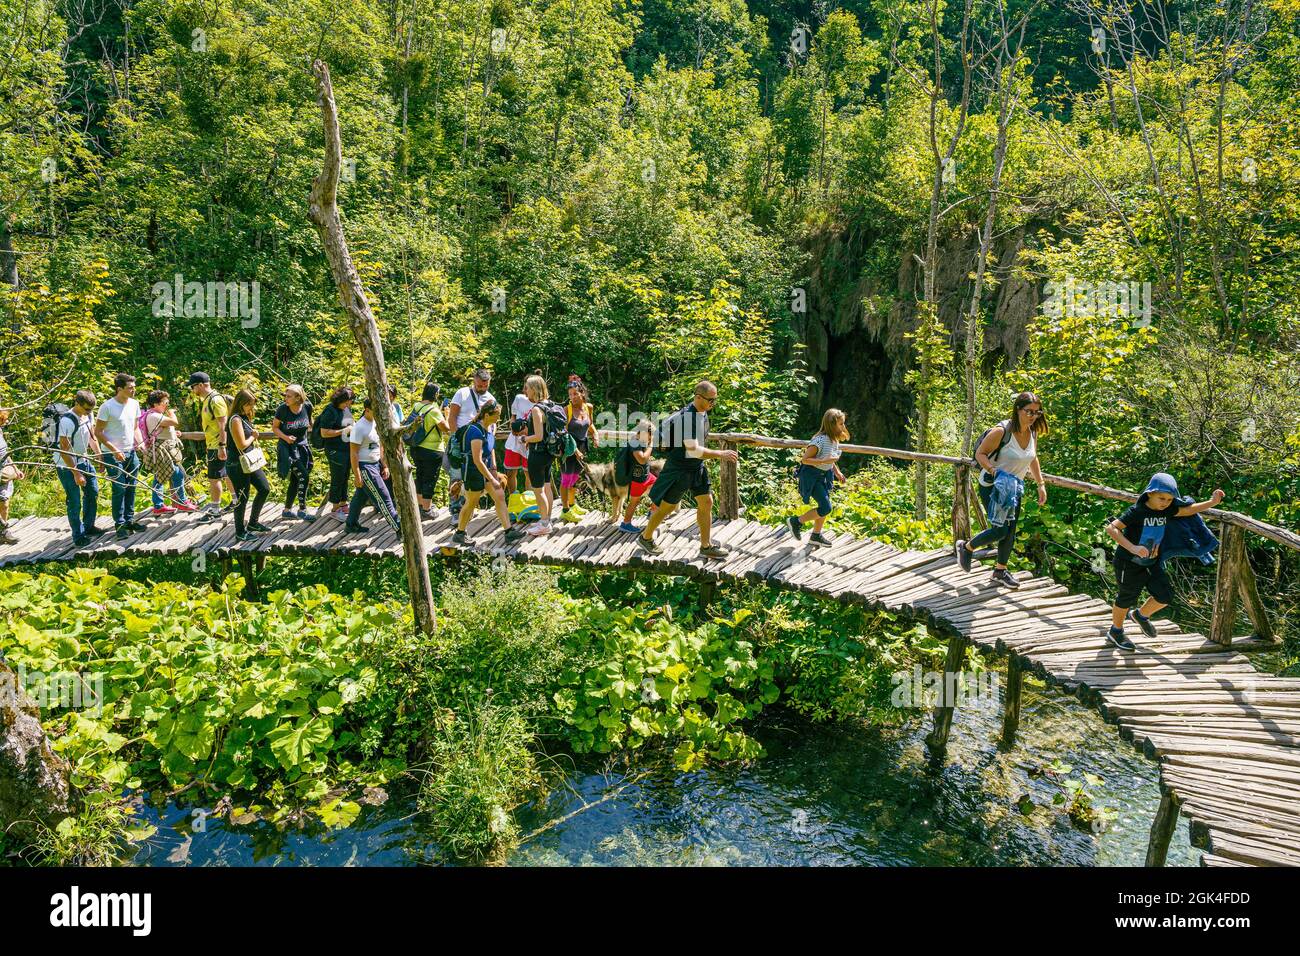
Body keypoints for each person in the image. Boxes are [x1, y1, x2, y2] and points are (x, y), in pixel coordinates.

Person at [1105, 474, 1225, 651]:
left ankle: (1140, 615)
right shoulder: (1137, 511)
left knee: (1165, 596)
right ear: (1150, 493)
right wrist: (1133, 548)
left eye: (1169, 499)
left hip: (1152, 562)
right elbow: (1111, 528)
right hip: (1128, 562)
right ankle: (1116, 631)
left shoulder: (1167, 510)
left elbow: (1188, 510)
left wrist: (1212, 502)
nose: (1165, 503)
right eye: (1162, 498)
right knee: (1126, 597)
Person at [953, 392, 1049, 589]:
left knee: (1010, 531)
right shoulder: (1001, 431)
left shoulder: (1032, 432)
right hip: (993, 486)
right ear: (1018, 410)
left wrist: (1041, 484)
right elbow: (980, 454)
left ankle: (1000, 571)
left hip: (1014, 487)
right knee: (1000, 530)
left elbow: (1032, 458)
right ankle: (966, 547)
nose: (1033, 416)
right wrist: (993, 470)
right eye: (1028, 411)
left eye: (1037, 412)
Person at [636, 380, 737, 560]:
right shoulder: (686, 419)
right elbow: (695, 450)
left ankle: (706, 546)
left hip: (696, 467)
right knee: (666, 508)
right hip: (679, 469)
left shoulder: (702, 413)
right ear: (698, 397)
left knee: (706, 502)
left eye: (715, 400)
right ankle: (646, 537)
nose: (713, 404)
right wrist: (721, 453)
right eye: (710, 400)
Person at [451, 399, 526, 545]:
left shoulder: (489, 429)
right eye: (496, 415)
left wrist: (494, 471)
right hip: (472, 471)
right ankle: (460, 533)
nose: (498, 418)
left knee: (499, 496)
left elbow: (490, 451)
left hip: (485, 470)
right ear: (486, 415)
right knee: (471, 502)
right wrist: (492, 479)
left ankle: (509, 532)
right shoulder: (475, 431)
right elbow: (477, 460)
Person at [95, 373, 148, 540]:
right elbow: (98, 432)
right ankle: (119, 524)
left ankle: (130, 520)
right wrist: (114, 450)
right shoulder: (107, 407)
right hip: (112, 453)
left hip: (130, 451)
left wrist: (140, 443)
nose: (133, 390)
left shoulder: (134, 404)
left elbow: (135, 428)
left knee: (132, 486)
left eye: (134, 387)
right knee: (119, 487)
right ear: (119, 389)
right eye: (130, 388)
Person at [786, 408, 848, 547]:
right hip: (811, 476)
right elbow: (805, 460)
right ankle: (796, 521)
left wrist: (837, 472)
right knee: (826, 508)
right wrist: (823, 461)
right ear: (831, 425)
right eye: (841, 424)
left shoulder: (834, 439)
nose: (843, 427)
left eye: (843, 423)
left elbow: (829, 459)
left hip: (824, 476)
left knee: (823, 505)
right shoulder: (820, 441)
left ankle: (816, 535)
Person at [54, 390, 107, 546]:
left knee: (92, 491)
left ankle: (89, 526)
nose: (89, 412)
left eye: (91, 409)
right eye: (86, 409)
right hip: (66, 464)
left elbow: (92, 436)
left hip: (83, 458)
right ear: (77, 403)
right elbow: (64, 450)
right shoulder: (67, 421)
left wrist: (99, 456)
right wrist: (76, 473)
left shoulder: (88, 415)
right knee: (74, 500)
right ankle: (78, 536)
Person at [345, 397, 401, 536]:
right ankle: (400, 529)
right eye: (375, 410)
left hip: (376, 464)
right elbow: (353, 453)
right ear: (367, 410)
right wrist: (357, 475)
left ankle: (351, 524)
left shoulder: (376, 423)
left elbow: (379, 446)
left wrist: (384, 465)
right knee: (384, 498)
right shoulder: (359, 427)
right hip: (365, 468)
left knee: (361, 497)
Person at [226, 389, 273, 541]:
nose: (252, 408)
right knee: (242, 497)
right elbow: (241, 444)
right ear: (242, 403)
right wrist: (253, 436)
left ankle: (253, 523)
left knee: (264, 488)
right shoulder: (235, 420)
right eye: (249, 405)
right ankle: (240, 532)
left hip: (249, 461)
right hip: (237, 464)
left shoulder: (244, 417)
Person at [141, 390, 196, 516]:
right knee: (174, 474)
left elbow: (165, 428)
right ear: (156, 404)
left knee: (161, 476)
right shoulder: (154, 416)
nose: (167, 404)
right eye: (165, 402)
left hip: (164, 449)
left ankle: (161, 505)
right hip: (161, 450)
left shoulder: (155, 414)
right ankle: (180, 502)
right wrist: (171, 413)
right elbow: (174, 422)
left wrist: (173, 433)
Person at [188, 372, 232, 518]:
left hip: (217, 445)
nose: (192, 391)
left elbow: (223, 424)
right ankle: (236, 500)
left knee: (214, 478)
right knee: (224, 474)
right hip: (213, 444)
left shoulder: (215, 400)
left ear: (201, 385)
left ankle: (215, 510)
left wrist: (222, 446)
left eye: (193, 387)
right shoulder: (207, 400)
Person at [272, 384, 315, 522]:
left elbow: (310, 422)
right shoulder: (283, 409)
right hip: (288, 449)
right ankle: (302, 510)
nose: (286, 398)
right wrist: (286, 437)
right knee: (304, 476)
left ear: (298, 397)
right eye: (285, 395)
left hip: (303, 448)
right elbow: (275, 428)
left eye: (289, 396)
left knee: (295, 480)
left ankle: (286, 510)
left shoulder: (307, 407)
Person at [406, 382, 449, 516]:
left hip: (416, 447)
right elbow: (446, 429)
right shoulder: (434, 411)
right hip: (432, 450)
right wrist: (447, 415)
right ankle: (427, 509)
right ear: (435, 394)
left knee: (420, 475)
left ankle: (420, 505)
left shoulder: (417, 406)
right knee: (430, 478)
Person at [559, 377, 597, 523]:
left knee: (575, 477)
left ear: (582, 393)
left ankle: (573, 504)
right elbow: (564, 434)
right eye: (570, 394)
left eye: (575, 394)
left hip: (582, 446)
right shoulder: (566, 410)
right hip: (568, 448)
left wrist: (596, 435)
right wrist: (575, 451)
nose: (572, 397)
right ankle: (565, 510)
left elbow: (590, 424)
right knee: (566, 479)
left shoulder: (589, 407)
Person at [522, 375, 557, 537]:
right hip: (549, 453)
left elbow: (538, 435)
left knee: (538, 489)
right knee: (547, 486)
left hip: (537, 454)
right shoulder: (550, 405)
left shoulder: (537, 409)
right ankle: (547, 518)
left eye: (527, 388)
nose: (525, 391)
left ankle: (544, 523)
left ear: (534, 389)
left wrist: (524, 439)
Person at [317, 387, 355, 522]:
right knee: (337, 478)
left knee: (345, 476)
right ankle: (335, 508)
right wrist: (344, 431)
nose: (349, 404)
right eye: (348, 401)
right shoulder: (330, 411)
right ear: (341, 399)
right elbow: (324, 432)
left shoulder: (345, 409)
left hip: (346, 448)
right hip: (334, 450)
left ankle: (343, 504)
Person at [617, 418, 657, 533]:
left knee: (659, 487)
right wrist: (651, 446)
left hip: (646, 476)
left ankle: (652, 510)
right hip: (637, 479)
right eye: (651, 435)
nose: (651, 438)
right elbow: (642, 459)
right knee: (634, 502)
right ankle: (626, 523)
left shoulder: (641, 441)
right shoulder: (635, 443)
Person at [503, 372, 539, 497]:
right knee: (511, 472)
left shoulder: (541, 403)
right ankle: (513, 499)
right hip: (514, 441)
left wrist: (528, 432)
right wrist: (513, 427)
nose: (525, 389)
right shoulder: (519, 398)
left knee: (528, 473)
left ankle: (528, 501)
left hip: (530, 441)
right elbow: (513, 416)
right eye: (525, 386)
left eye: (527, 387)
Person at [0, 406, 25, 545]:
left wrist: (15, 468)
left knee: (5, 502)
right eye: (4, 420)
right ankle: (3, 532)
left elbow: (5, 452)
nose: (6, 422)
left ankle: (2, 533)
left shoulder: (0, 431)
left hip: (4, 472)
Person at [447, 367, 496, 431]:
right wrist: (455, 437)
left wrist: (491, 436)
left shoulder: (491, 399)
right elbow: (452, 418)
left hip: (483, 437)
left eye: (486, 386)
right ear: (474, 382)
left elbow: (493, 422)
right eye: (480, 386)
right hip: (463, 436)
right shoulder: (461, 393)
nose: (483, 389)